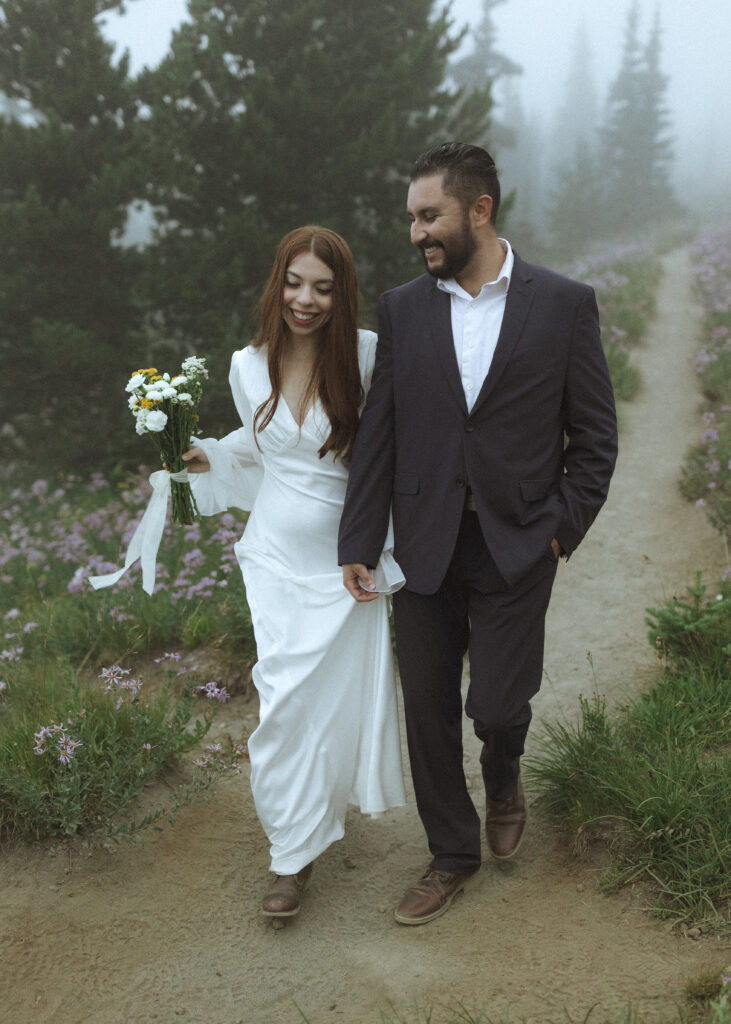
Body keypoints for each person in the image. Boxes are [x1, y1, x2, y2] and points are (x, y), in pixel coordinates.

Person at [338, 142, 618, 926]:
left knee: (495, 705)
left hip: (519, 540)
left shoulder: (563, 304)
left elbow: (593, 438)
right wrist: (359, 537)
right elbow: (380, 432)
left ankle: (504, 772)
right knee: (425, 710)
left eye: (429, 215)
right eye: (411, 218)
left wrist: (559, 531)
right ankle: (450, 854)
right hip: (421, 541)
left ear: (479, 210)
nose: (416, 232)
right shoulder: (401, 308)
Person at [183, 225, 405, 919]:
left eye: (322, 288)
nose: (304, 300)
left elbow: (391, 459)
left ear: (342, 297)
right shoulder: (245, 365)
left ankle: (313, 824)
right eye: (294, 282)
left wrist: (380, 549)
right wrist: (205, 460)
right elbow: (255, 451)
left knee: (331, 703)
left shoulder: (368, 357)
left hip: (347, 565)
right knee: (280, 703)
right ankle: (291, 856)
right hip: (276, 561)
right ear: (275, 283)